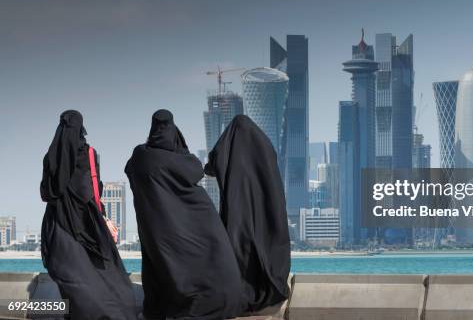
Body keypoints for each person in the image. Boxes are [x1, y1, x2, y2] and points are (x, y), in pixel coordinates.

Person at [124, 110, 244, 320]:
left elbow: (130, 170)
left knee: (164, 265)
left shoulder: (140, 156)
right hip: (195, 218)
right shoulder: (179, 159)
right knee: (213, 256)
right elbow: (196, 170)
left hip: (157, 227)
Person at [40, 110, 138, 320]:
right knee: (103, 274)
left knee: (71, 276)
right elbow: (92, 190)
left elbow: (46, 193)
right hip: (86, 221)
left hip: (58, 224)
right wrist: (103, 217)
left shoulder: (50, 156)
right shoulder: (89, 153)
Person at [205, 114, 290, 312]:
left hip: (237, 209)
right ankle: (266, 286)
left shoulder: (227, 148)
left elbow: (212, 165)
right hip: (265, 208)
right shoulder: (264, 145)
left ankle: (239, 290)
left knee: (238, 246)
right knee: (264, 243)